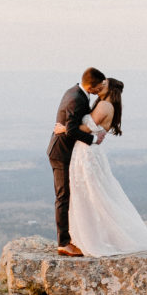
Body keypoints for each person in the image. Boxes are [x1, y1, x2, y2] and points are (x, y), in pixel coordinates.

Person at [64, 77, 147, 257]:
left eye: (103, 85)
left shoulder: (105, 106)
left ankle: (95, 237)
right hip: (89, 151)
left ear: (109, 88)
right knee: (92, 193)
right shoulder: (106, 104)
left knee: (93, 194)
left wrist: (64, 128)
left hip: (88, 152)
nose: (99, 87)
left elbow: (86, 128)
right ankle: (92, 234)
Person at [48, 68, 106, 256]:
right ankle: (63, 243)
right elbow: (72, 130)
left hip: (68, 151)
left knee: (71, 194)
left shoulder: (78, 92)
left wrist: (65, 128)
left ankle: (73, 237)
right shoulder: (76, 97)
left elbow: (70, 125)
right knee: (63, 196)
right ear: (91, 85)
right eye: (98, 87)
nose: (100, 90)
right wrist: (93, 140)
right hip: (61, 153)